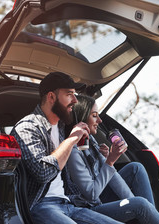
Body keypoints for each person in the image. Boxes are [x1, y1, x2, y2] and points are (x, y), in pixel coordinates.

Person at [11, 72, 121, 224]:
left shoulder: (62, 127)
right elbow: (43, 173)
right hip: (41, 206)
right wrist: (71, 139)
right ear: (51, 97)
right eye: (69, 94)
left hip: (68, 204)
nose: (75, 100)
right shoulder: (28, 128)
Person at [65, 94, 159, 224]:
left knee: (136, 168)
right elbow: (91, 195)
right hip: (87, 207)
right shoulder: (73, 151)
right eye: (94, 115)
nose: (100, 121)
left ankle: (149, 217)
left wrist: (107, 160)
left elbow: (110, 178)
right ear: (82, 117)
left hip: (100, 196)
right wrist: (110, 161)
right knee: (140, 204)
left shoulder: (90, 141)